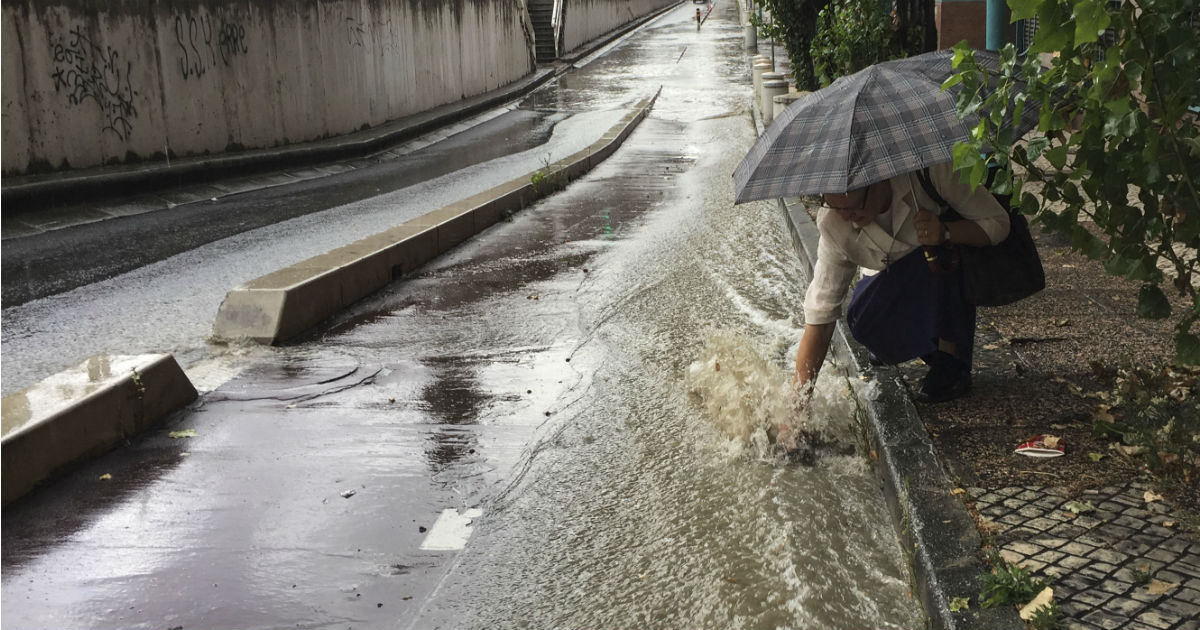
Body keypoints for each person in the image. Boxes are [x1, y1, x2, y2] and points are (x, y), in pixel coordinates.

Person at [791, 160, 1010, 408]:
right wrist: (798, 405)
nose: (846, 217)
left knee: (940, 258)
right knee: (862, 320)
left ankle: (951, 359)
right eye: (833, 205)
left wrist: (946, 232)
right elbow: (820, 312)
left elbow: (998, 224)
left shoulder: (932, 173)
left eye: (854, 207)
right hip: (888, 276)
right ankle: (919, 345)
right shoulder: (833, 222)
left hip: (943, 269)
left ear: (880, 181)